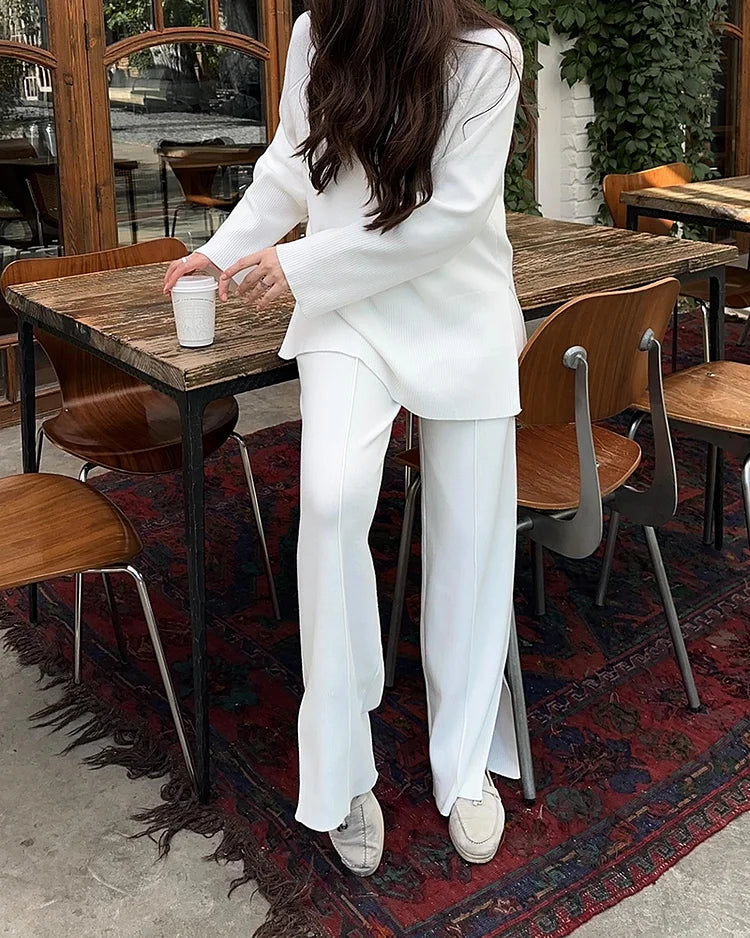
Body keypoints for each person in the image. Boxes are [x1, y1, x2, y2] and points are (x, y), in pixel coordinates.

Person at [164, 0, 526, 877]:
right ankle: (341, 766)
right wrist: (223, 250)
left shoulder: (490, 55)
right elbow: (293, 160)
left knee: (473, 536)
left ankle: (464, 762)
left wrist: (297, 264)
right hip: (347, 311)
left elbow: (452, 214)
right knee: (328, 506)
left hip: (461, 309)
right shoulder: (315, 31)